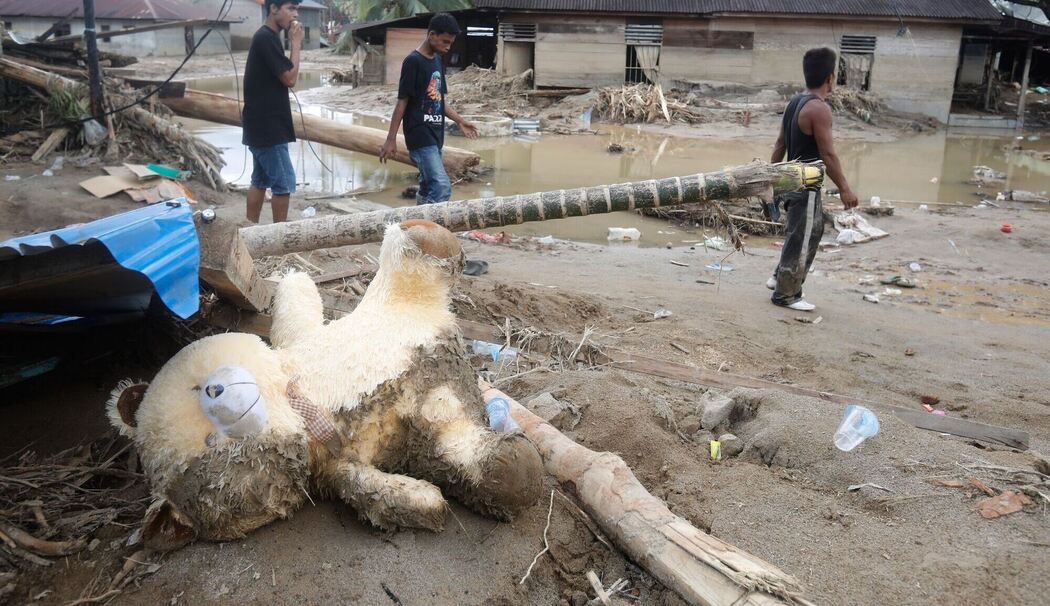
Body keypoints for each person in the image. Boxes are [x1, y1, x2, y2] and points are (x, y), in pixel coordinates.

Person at [768, 47, 859, 312]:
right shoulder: (819, 110)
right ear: (831, 77)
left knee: (806, 232)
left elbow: (779, 144)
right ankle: (786, 294)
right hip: (806, 184)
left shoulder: (795, 102)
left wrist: (773, 180)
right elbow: (828, 155)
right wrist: (845, 189)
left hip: (790, 180)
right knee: (804, 236)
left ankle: (778, 276)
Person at [380, 13, 478, 205]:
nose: (448, 47)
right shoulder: (413, 61)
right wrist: (390, 139)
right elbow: (402, 102)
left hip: (435, 135)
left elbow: (439, 100)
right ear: (431, 35)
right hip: (419, 135)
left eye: (450, 43)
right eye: (445, 42)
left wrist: (459, 121)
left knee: (427, 186)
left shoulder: (436, 60)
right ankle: (429, 229)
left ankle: (417, 226)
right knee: (442, 186)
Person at [242, 0, 302, 224]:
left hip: (261, 124)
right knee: (284, 184)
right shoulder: (266, 38)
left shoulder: (268, 37)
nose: (295, 15)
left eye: (296, 9)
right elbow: (290, 78)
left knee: (260, 179)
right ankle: (278, 239)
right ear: (273, 9)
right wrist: (296, 44)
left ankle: (249, 227)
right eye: (290, 9)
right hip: (268, 127)